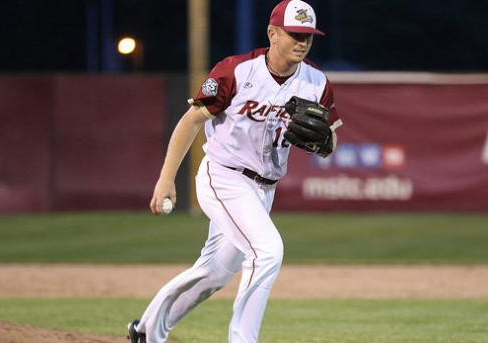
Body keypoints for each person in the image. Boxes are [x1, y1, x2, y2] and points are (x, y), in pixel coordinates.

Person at [127, 1, 342, 342]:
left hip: (263, 188)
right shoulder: (236, 71)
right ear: (272, 33)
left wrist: (325, 141)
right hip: (224, 176)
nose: (302, 42)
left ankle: (146, 330)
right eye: (295, 34)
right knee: (268, 250)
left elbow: (330, 140)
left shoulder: (316, 82)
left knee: (213, 274)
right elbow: (191, 121)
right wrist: (166, 179)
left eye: (308, 36)